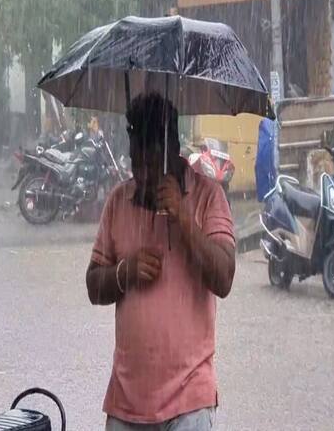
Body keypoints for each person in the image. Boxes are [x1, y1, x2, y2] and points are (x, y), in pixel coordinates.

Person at [86, 92, 236, 431]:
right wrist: (125, 273)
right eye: (135, 163)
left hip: (189, 402)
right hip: (126, 402)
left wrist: (182, 217)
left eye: (151, 164)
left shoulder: (208, 196)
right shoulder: (118, 201)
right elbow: (94, 286)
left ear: (172, 150)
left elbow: (224, 278)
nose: (142, 175)